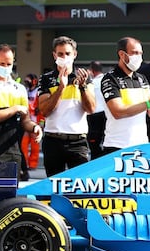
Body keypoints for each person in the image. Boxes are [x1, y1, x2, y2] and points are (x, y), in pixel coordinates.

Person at [101, 37, 150, 154]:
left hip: (141, 146)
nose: (139, 57)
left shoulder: (141, 78)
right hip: (117, 146)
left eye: (140, 53)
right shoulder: (110, 79)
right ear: (122, 55)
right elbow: (118, 112)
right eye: (135, 53)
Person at [0, 45, 43, 181]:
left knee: (12, 195)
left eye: (9, 64)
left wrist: (34, 127)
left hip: (14, 150)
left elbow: (25, 120)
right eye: (2, 63)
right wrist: (14, 108)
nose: (5, 67)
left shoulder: (19, 88)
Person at [38, 36, 96, 176]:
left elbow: (91, 109)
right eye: (60, 54)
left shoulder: (84, 76)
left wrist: (82, 87)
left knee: (80, 187)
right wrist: (61, 88)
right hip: (53, 139)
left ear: (74, 54)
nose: (64, 57)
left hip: (78, 141)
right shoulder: (47, 78)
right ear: (54, 55)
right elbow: (44, 111)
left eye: (68, 53)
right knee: (52, 187)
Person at [20, 73, 42, 169]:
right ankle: (24, 164)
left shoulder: (39, 92)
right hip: (26, 120)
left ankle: (33, 164)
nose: (26, 82)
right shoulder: (25, 91)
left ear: (34, 81)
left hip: (36, 121)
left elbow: (42, 108)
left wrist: (41, 123)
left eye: (28, 80)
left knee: (34, 145)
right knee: (23, 144)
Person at [87, 61, 107, 158]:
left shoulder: (92, 83)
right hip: (106, 115)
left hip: (94, 116)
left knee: (94, 144)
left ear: (92, 71)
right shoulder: (107, 81)